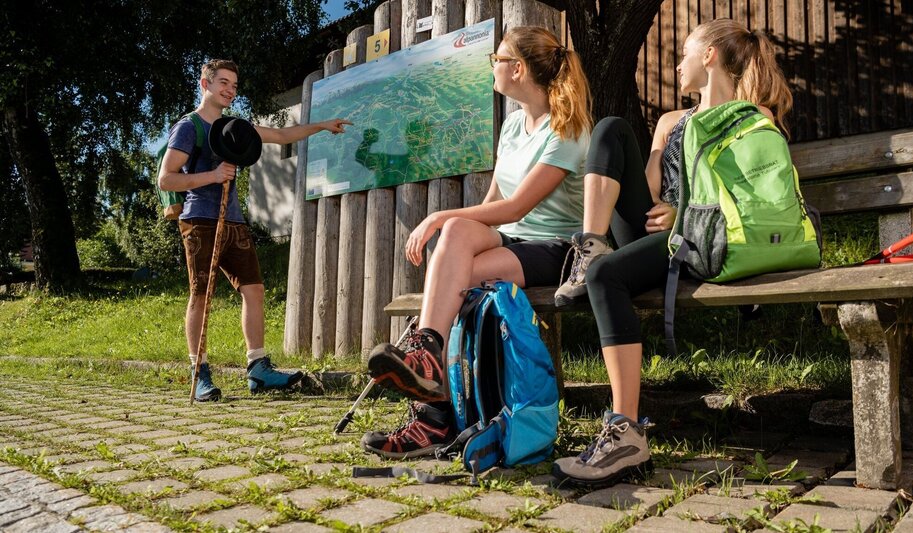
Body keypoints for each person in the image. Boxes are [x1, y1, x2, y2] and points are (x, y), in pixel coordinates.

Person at [551, 19, 793, 487]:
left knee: (606, 279)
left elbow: (757, 196)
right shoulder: (669, 121)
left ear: (709, 57)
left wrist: (681, 215)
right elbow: (645, 191)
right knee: (611, 128)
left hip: (703, 235)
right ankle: (591, 245)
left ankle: (626, 433)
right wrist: (657, 207)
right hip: (657, 230)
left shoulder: (752, 117)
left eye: (685, 52)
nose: (677, 62)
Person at [360, 26, 594, 458]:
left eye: (497, 60)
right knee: (456, 240)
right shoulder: (513, 126)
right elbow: (493, 202)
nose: (494, 67)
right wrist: (457, 230)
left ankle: (433, 419)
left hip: (555, 248)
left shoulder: (568, 131)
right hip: (513, 239)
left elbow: (517, 207)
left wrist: (438, 216)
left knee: (453, 276)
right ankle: (429, 355)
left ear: (517, 69)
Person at [158, 59, 352, 401]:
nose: (230, 89)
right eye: (223, 82)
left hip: (234, 221)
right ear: (205, 84)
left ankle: (258, 369)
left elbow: (279, 135)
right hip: (200, 220)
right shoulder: (189, 127)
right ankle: (200, 371)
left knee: (254, 290)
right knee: (201, 296)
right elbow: (167, 177)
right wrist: (213, 176)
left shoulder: (236, 125)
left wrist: (321, 125)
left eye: (234, 84)